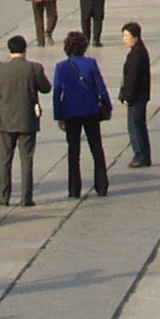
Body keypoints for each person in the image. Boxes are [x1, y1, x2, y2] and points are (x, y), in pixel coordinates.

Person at [0, 34, 49, 207]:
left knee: (5, 160)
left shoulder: (1, 69)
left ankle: (3, 196)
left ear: (9, 50)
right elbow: (46, 88)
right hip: (27, 120)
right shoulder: (34, 68)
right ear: (25, 49)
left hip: (5, 121)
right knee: (27, 160)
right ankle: (26, 198)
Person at [51, 32, 110, 199]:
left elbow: (57, 93)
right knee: (96, 148)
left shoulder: (61, 67)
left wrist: (59, 116)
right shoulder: (91, 63)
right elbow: (101, 87)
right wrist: (108, 105)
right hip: (91, 110)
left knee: (73, 151)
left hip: (70, 112)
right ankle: (102, 185)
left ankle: (74, 189)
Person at [117, 23, 153, 169]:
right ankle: (143, 154)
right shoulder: (139, 51)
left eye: (127, 36)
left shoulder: (136, 55)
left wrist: (127, 96)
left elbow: (132, 78)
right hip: (140, 96)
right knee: (138, 125)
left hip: (136, 97)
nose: (124, 39)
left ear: (136, 37)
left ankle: (141, 155)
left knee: (135, 126)